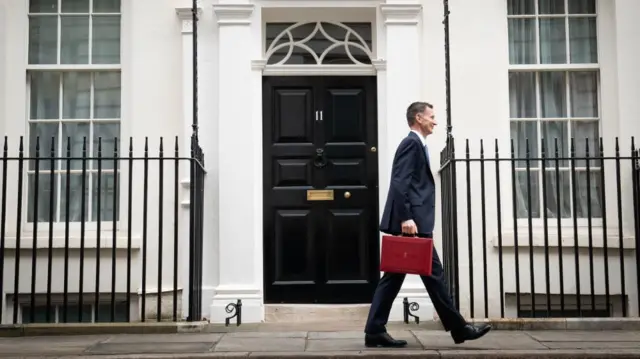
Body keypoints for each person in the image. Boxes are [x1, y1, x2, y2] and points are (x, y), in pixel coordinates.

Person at [363, 102, 491, 348]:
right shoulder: (411, 143)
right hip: (411, 225)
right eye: (432, 116)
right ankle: (459, 328)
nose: (435, 121)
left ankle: (374, 330)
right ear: (419, 118)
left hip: (413, 223)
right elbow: (400, 182)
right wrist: (406, 217)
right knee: (433, 275)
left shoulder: (418, 145)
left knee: (395, 278)